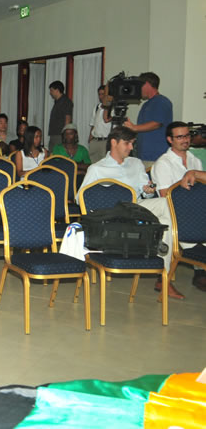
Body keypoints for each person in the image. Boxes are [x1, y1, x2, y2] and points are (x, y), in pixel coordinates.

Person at [79, 126, 184, 299]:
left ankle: (161, 259)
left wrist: (149, 190)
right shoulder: (97, 169)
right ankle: (158, 252)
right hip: (114, 214)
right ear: (114, 142)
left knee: (166, 205)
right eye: (127, 143)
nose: (130, 147)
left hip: (137, 206)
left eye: (132, 143)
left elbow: (146, 192)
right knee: (157, 213)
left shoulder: (136, 163)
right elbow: (80, 197)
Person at [151, 122, 206, 291]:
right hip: (177, 214)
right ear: (170, 140)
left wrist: (194, 173)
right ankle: (169, 277)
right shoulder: (163, 163)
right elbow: (166, 197)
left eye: (187, 136)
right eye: (180, 137)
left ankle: (200, 271)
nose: (185, 140)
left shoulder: (194, 160)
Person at [124, 72, 173, 165]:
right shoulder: (146, 104)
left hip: (155, 156)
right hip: (144, 155)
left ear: (146, 84)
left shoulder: (161, 101)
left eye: (139, 86)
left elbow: (157, 123)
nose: (138, 89)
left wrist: (134, 127)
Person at [88, 85, 112, 163]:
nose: (101, 96)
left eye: (103, 94)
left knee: (104, 164)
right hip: (95, 140)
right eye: (99, 94)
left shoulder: (112, 108)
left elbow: (107, 120)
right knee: (92, 164)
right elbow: (93, 124)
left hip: (105, 141)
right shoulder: (96, 107)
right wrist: (90, 138)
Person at [47, 80, 73, 150]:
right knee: (52, 155)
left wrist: (65, 135)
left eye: (51, 90)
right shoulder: (57, 102)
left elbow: (67, 119)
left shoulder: (65, 101)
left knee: (58, 155)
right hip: (54, 134)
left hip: (60, 135)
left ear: (57, 90)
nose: (50, 93)